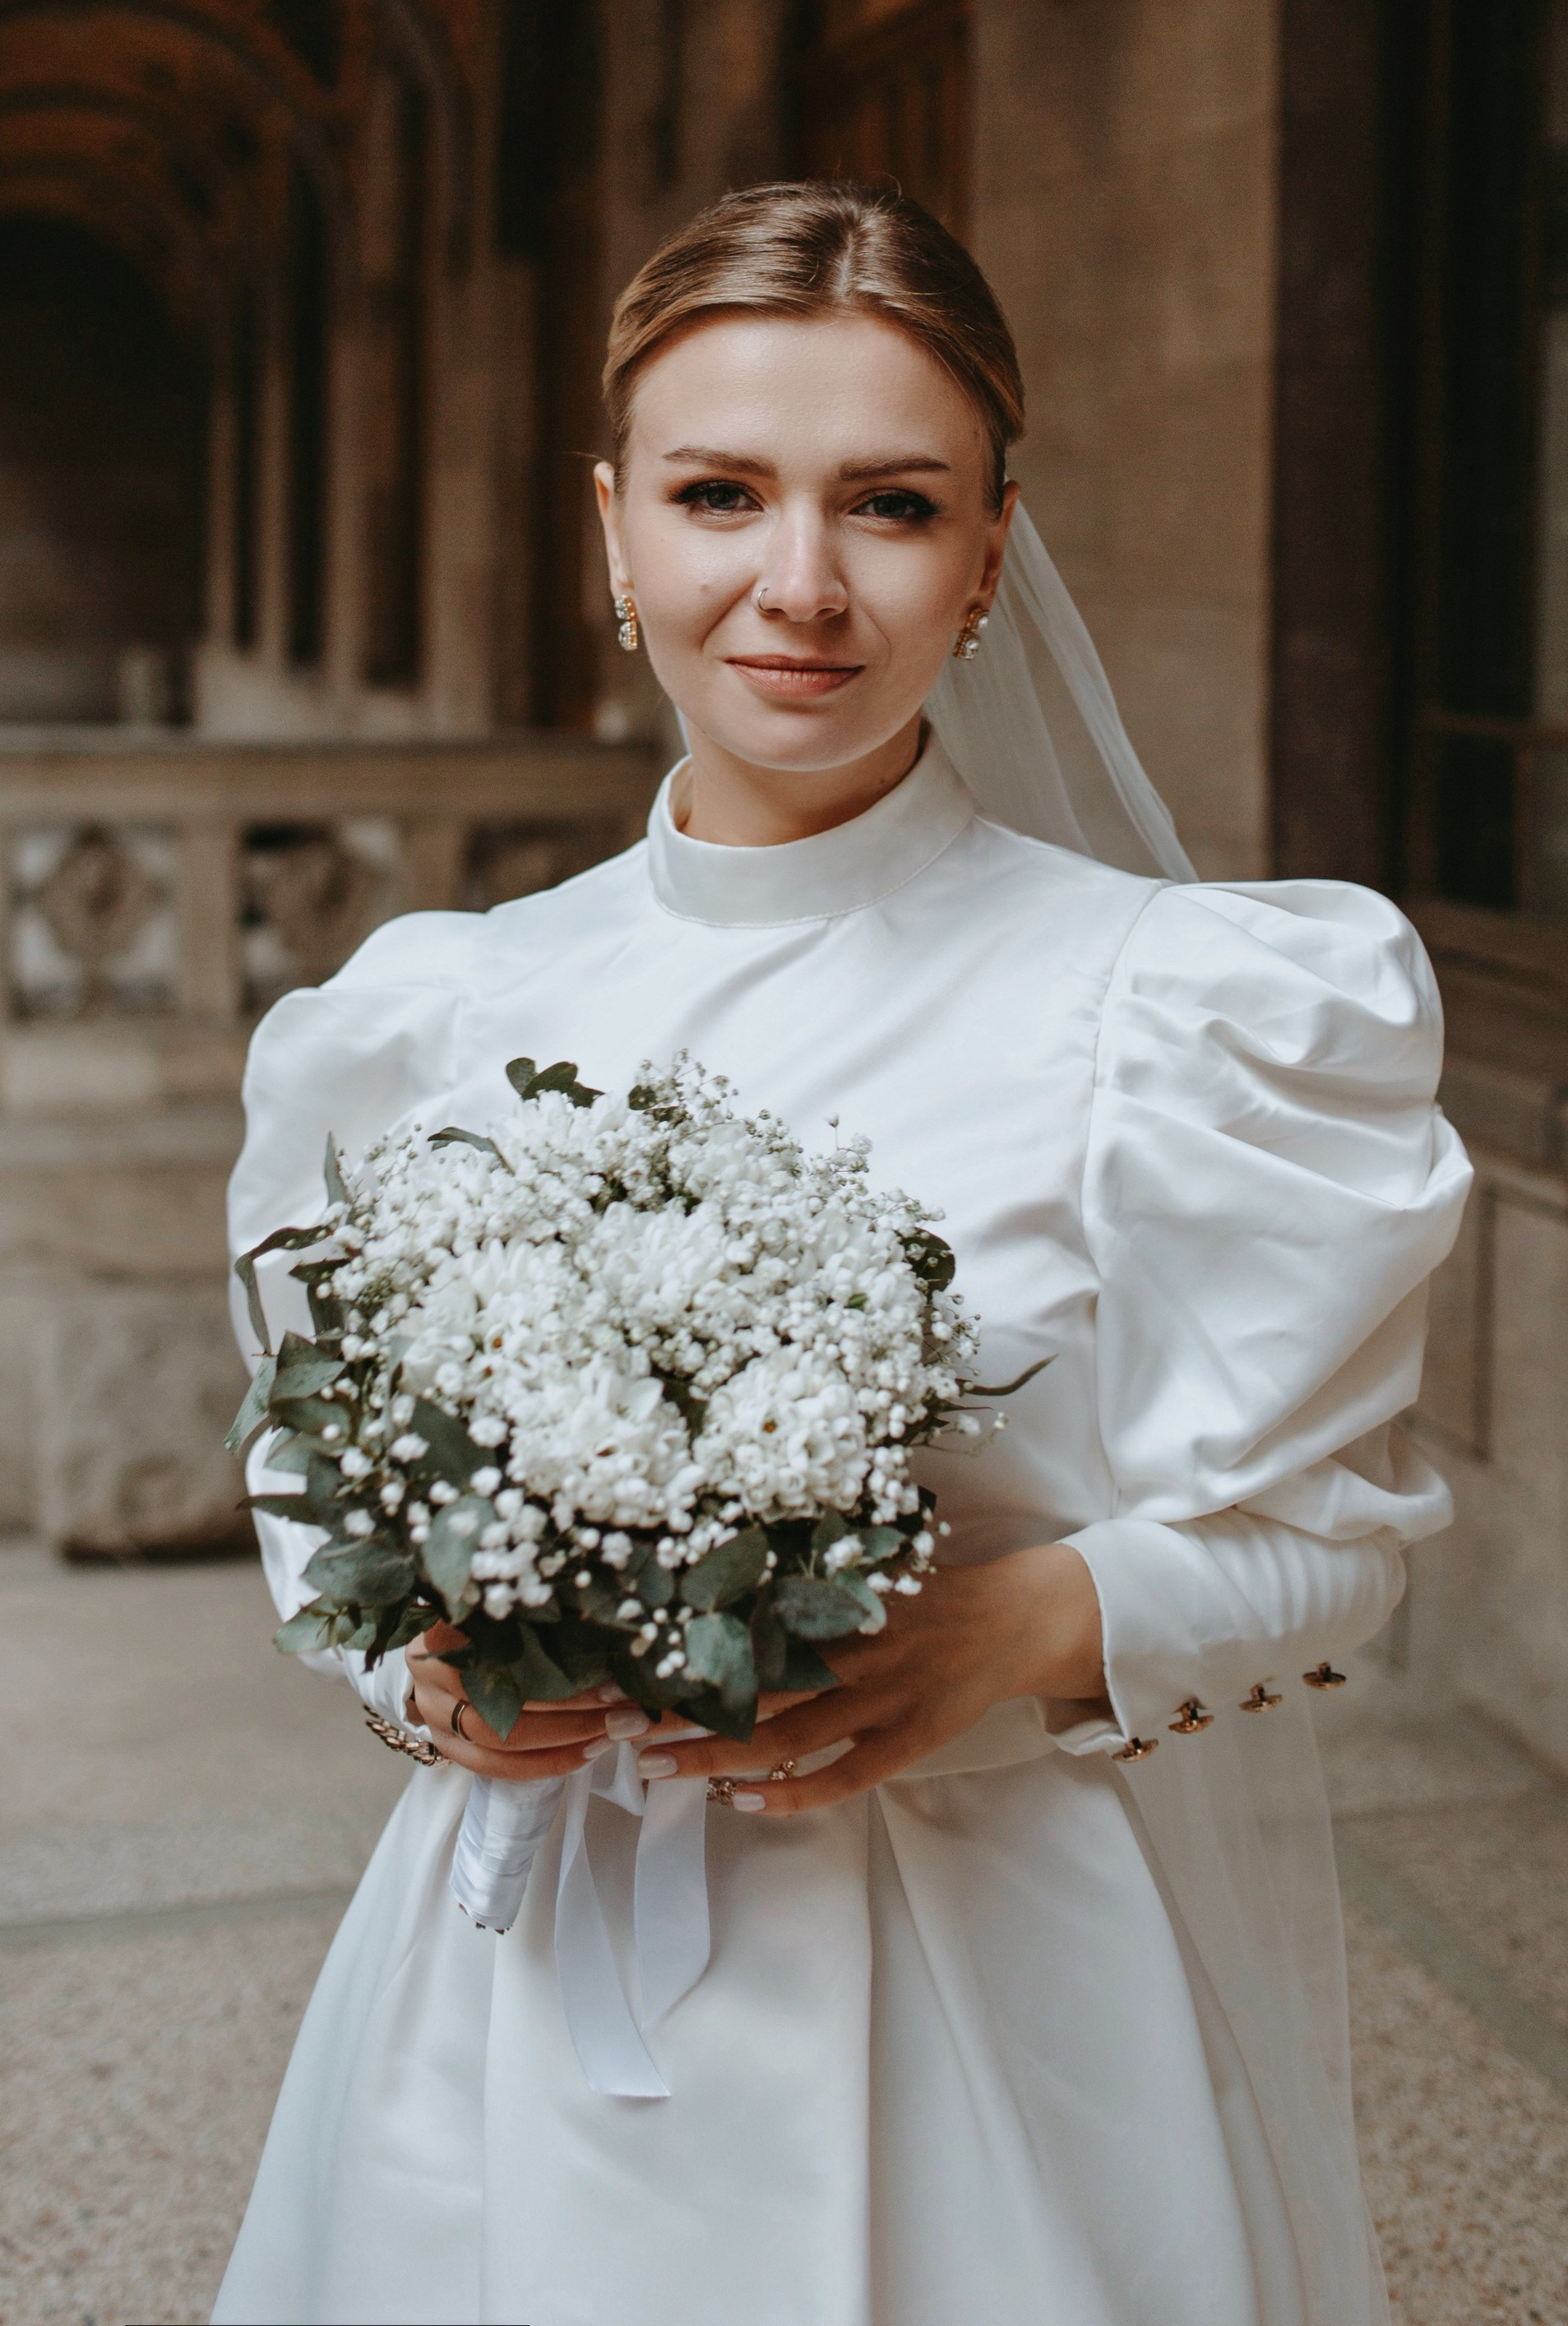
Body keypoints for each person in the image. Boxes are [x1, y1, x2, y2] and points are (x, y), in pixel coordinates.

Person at [213, 182, 1470, 2326]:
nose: (798, 586)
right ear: (614, 530)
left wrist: (1019, 1626)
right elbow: (308, 1473)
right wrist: (418, 1673)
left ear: (989, 551)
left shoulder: (1173, 1006)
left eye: (889, 505)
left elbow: (1340, 1551)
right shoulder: (427, 1016)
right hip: (519, 1981)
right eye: (722, 494)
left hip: (990, 1987)